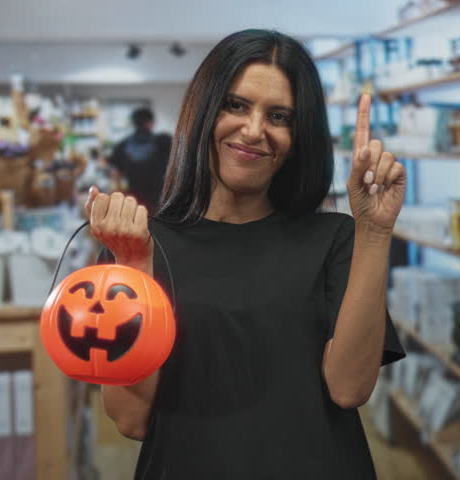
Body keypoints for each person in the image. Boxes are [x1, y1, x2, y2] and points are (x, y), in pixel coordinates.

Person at [84, 29, 407, 479]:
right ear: (203, 111)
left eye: (279, 116)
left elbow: (349, 387)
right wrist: (135, 268)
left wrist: (374, 231)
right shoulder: (140, 247)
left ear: (299, 136)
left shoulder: (334, 238)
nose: (254, 131)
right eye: (236, 105)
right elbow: (129, 418)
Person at [107, 107, 172, 209]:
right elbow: (174, 169)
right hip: (159, 197)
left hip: (133, 197)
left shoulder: (122, 145)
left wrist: (120, 195)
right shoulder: (164, 141)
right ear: (150, 123)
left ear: (133, 123)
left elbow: (115, 174)